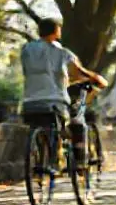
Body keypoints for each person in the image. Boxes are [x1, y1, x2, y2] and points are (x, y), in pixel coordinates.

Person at [21, 18, 107, 170]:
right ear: (56, 32)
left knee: (41, 128)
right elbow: (79, 72)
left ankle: (43, 159)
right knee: (76, 119)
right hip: (56, 102)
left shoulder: (26, 50)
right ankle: (76, 160)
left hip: (30, 102)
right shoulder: (62, 52)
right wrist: (97, 78)